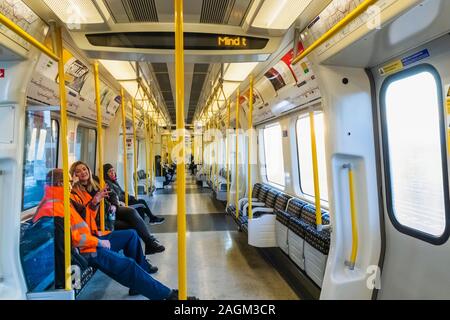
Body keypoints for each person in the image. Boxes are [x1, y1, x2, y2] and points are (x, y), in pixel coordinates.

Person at [32, 169, 197, 300]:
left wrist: (94, 204)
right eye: (68, 182)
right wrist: (98, 242)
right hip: (85, 250)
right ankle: (167, 296)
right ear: (61, 183)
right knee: (127, 266)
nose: (71, 184)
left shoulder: (61, 201)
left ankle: (139, 282)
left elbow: (83, 224)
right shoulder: (55, 207)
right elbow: (74, 239)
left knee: (131, 235)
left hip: (89, 241)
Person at [70, 161, 165, 256]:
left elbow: (112, 194)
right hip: (99, 219)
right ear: (74, 175)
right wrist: (94, 202)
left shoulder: (96, 180)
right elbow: (84, 213)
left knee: (131, 211)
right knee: (132, 229)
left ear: (88, 170)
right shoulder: (74, 192)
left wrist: (114, 205)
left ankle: (149, 243)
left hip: (109, 209)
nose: (83, 172)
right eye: (78, 171)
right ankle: (141, 259)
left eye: (84, 169)